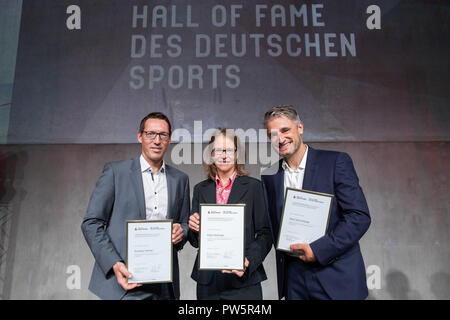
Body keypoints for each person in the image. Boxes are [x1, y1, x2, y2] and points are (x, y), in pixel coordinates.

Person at [261, 105, 371, 300]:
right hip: (295, 282)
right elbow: (270, 229)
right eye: (273, 134)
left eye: (285, 130)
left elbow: (359, 217)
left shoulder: (335, 162)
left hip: (336, 278)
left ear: (300, 128)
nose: (280, 139)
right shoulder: (270, 178)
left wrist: (318, 250)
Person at [81, 112, 190, 300]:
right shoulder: (116, 172)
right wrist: (115, 264)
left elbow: (184, 223)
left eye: (162, 135)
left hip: (164, 285)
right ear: (140, 136)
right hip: (123, 282)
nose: (157, 140)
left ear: (169, 139)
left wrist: (182, 231)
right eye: (150, 134)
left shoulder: (180, 179)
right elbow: (91, 223)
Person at [188, 128, 272, 300]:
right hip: (208, 284)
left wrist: (248, 260)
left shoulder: (254, 187)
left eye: (229, 150)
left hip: (244, 281)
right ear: (211, 155)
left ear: (237, 154)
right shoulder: (200, 190)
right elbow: (194, 241)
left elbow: (265, 233)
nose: (223, 155)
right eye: (218, 150)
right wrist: (194, 228)